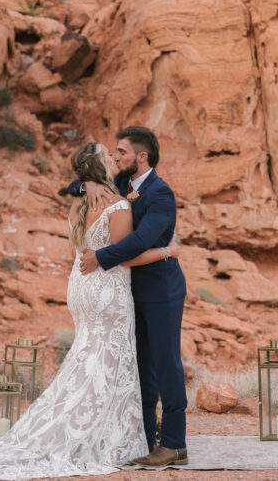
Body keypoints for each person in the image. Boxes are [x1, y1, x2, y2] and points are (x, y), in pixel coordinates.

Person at [0, 142, 174, 479]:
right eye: (108, 155)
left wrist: (85, 183)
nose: (114, 158)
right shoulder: (116, 206)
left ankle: (76, 423)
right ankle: (100, 434)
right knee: (108, 359)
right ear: (99, 166)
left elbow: (78, 200)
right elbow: (126, 257)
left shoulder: (79, 204)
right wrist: (167, 251)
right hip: (106, 289)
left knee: (88, 355)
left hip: (80, 286)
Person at [77, 125, 188, 467]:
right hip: (127, 292)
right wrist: (89, 182)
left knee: (165, 362)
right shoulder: (122, 185)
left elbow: (141, 242)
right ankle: (143, 437)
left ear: (142, 156)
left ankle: (173, 444)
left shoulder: (160, 193)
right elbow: (73, 185)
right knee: (139, 365)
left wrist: (100, 257)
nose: (117, 156)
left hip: (161, 291)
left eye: (122, 152)